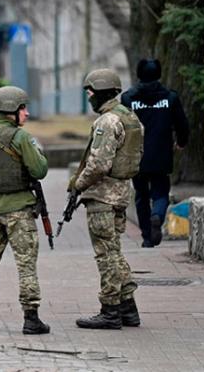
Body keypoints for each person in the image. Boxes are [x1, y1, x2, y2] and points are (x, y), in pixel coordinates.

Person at [0, 86, 51, 335]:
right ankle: (31, 318)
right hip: (19, 212)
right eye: (23, 108)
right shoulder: (22, 138)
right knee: (25, 264)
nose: (26, 113)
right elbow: (40, 171)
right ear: (12, 112)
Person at [68, 68, 144, 329]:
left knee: (105, 255)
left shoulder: (107, 121)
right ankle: (128, 308)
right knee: (114, 251)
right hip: (121, 193)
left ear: (99, 92)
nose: (88, 97)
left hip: (103, 196)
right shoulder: (129, 116)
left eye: (90, 92)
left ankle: (109, 310)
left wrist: (77, 186)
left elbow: (99, 164)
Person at [120, 58, 190, 247]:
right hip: (161, 154)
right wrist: (181, 142)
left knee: (141, 195)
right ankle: (157, 215)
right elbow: (182, 125)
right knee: (160, 192)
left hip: (137, 156)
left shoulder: (128, 99)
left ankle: (147, 238)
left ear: (139, 74)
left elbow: (122, 127)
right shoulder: (170, 98)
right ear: (159, 74)